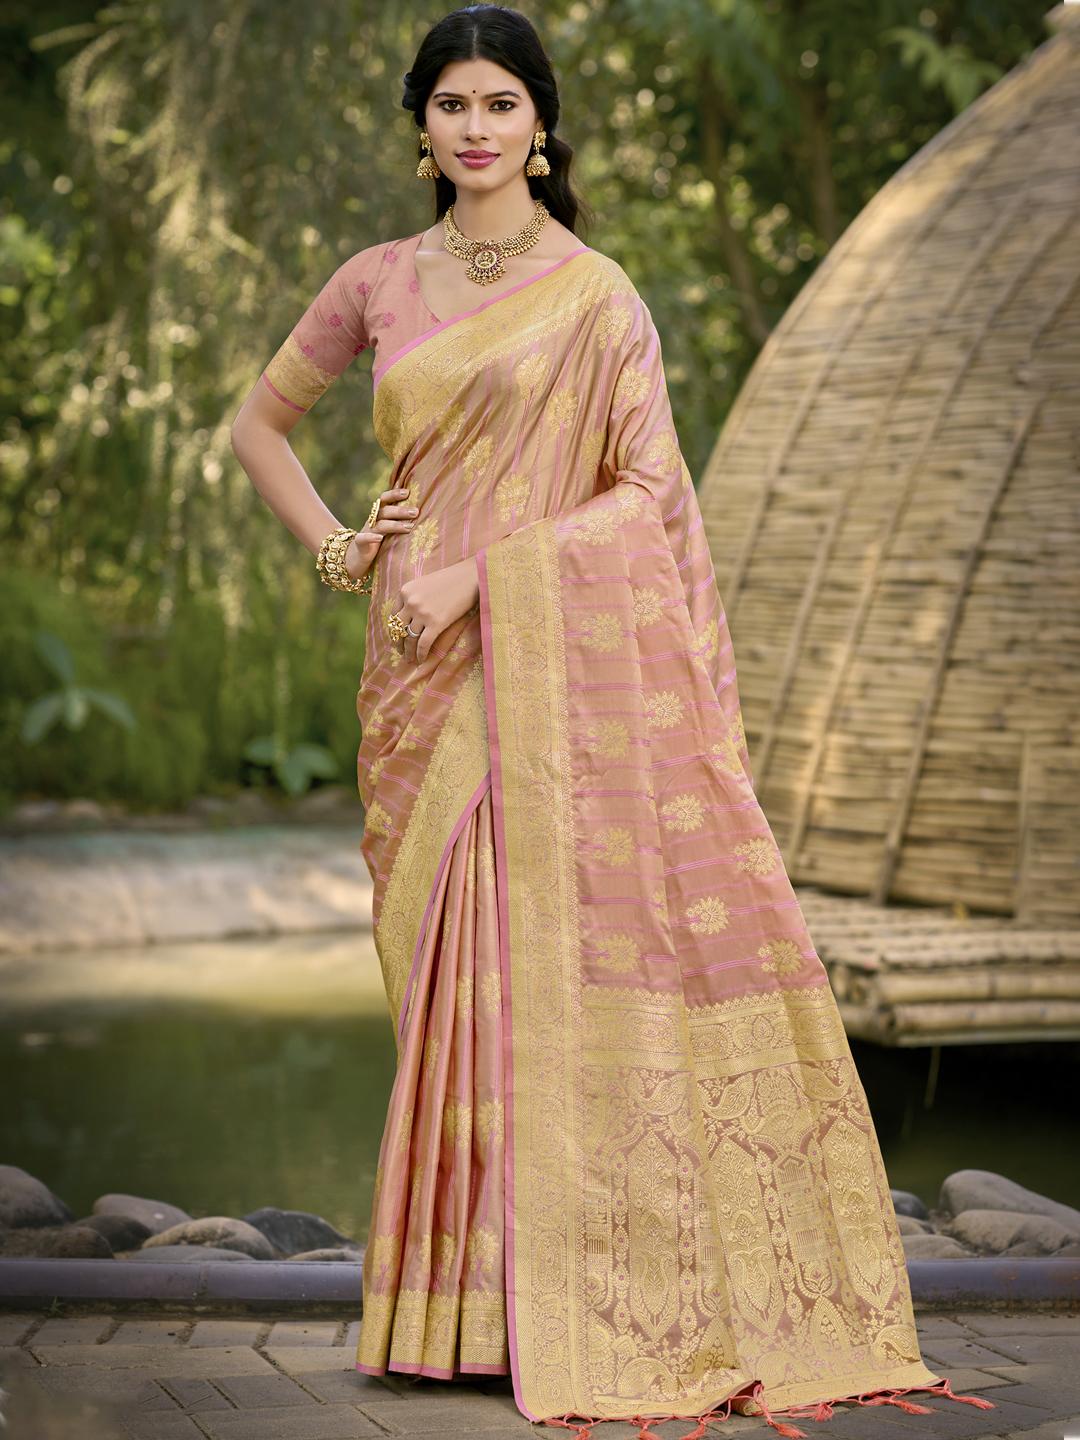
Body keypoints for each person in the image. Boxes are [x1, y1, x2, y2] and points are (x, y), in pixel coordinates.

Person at [229, 7, 996, 1437]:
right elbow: (255, 427)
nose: (475, 128)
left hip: (537, 670)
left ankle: (571, 1308)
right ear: (421, 125)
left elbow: (647, 496)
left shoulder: (595, 297)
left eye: (500, 104)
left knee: (543, 974)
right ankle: (455, 1317)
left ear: (540, 125)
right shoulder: (376, 281)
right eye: (452, 104)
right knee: (443, 982)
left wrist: (480, 576)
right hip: (413, 675)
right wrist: (344, 548)